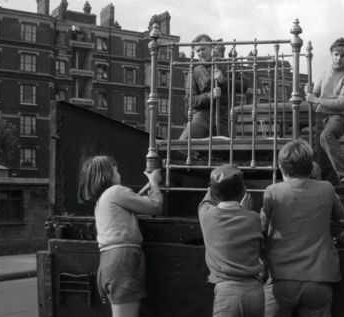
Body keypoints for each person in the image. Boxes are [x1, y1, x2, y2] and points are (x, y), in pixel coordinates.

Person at [261, 140, 344, 317]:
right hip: (320, 278)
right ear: (310, 166)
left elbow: (261, 228)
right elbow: (340, 214)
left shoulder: (272, 191)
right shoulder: (327, 189)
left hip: (280, 279)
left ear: (281, 168)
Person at [77, 156, 163, 317]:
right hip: (122, 261)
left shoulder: (103, 199)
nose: (120, 174)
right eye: (116, 171)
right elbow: (155, 207)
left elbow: (134, 204)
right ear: (106, 175)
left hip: (109, 262)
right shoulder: (116, 192)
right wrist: (154, 181)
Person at [198, 164, 264, 317]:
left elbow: (206, 201)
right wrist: (245, 209)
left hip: (228, 293)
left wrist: (215, 184)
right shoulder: (254, 218)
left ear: (214, 193)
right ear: (243, 191)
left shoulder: (206, 216)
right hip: (255, 291)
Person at [306, 37, 344, 186]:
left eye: (343, 56)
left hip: (338, 116)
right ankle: (330, 184)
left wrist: (316, 100)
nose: (339, 58)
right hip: (321, 115)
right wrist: (308, 91)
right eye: (336, 54)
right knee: (322, 155)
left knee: (326, 136)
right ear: (331, 54)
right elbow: (314, 93)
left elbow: (341, 103)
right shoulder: (325, 73)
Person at [179, 34, 246, 140]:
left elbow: (244, 86)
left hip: (225, 115)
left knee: (227, 149)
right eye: (198, 51)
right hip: (203, 115)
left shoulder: (228, 65)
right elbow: (190, 100)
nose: (200, 53)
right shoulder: (195, 72)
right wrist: (209, 96)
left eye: (203, 49)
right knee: (185, 141)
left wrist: (223, 81)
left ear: (212, 47)